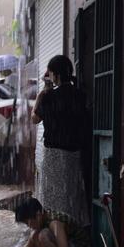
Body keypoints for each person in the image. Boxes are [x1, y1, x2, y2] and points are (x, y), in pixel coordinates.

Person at [32, 55, 89, 225]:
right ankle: (73, 233)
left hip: (53, 156)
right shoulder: (80, 95)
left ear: (54, 75)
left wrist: (43, 92)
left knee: (52, 200)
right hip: (74, 155)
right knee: (71, 197)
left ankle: (56, 235)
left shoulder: (49, 97)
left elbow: (34, 118)